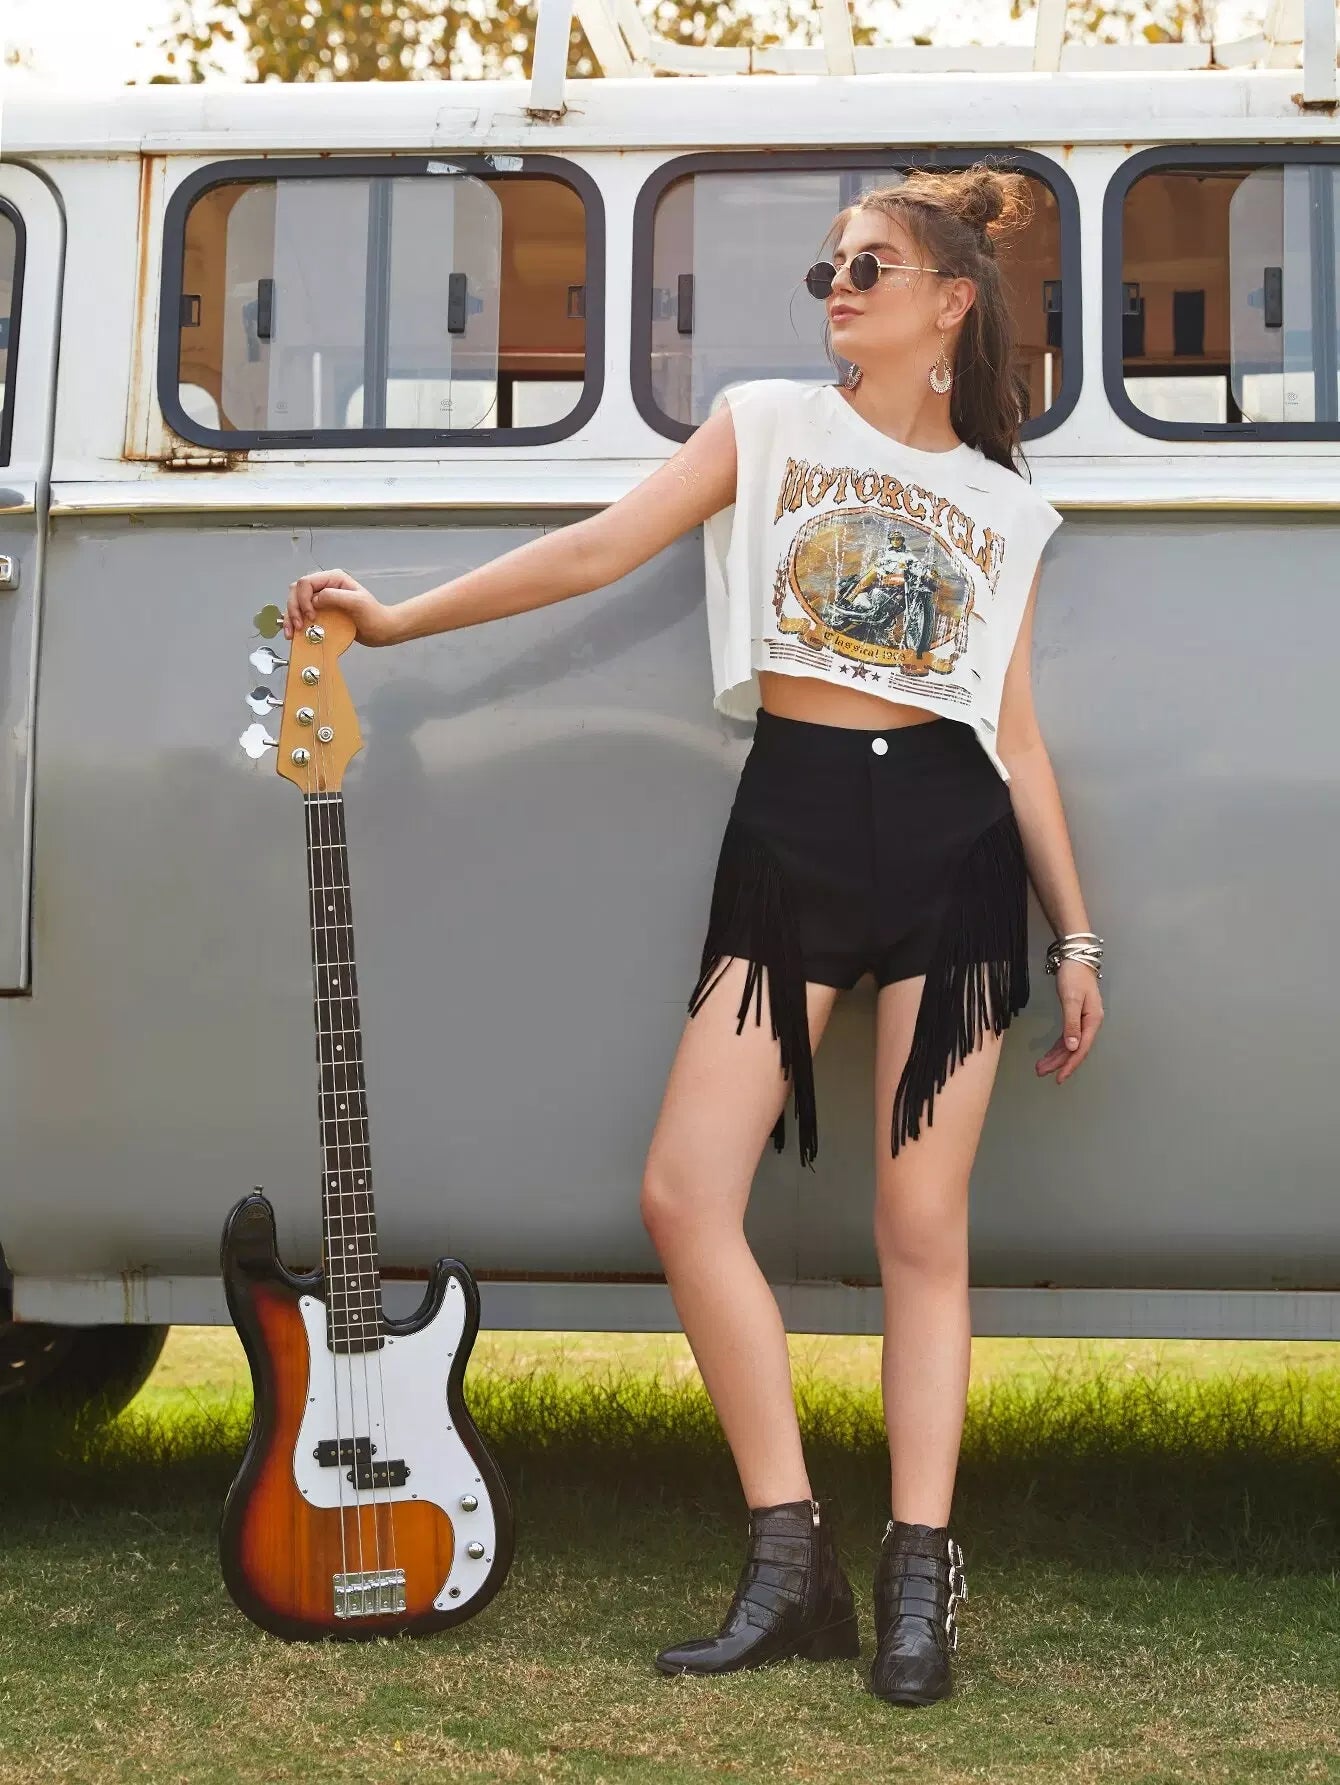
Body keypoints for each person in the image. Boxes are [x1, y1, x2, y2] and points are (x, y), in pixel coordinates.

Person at [282, 161, 1104, 1710]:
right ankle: (789, 1557)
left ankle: (918, 1580)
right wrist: (396, 621)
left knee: (920, 1228)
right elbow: (598, 548)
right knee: (684, 1189)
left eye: (867, 268)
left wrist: (1076, 939)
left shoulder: (1009, 506)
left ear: (950, 304)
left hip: (953, 850)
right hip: (794, 831)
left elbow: (1018, 738)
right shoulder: (766, 424)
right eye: (826, 270)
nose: (837, 289)